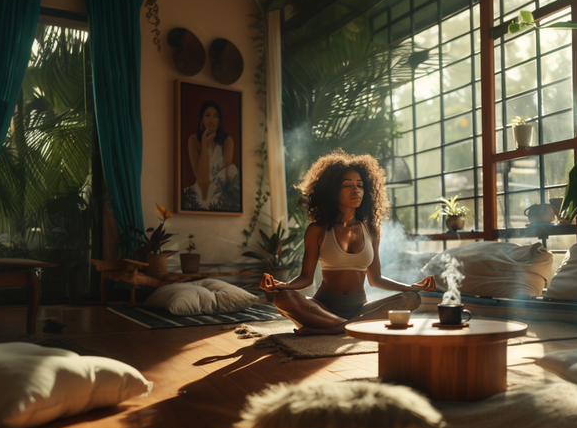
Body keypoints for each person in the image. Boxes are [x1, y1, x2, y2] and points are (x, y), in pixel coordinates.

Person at [259, 151, 437, 335]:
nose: (356, 190)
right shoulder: (317, 230)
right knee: (283, 299)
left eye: (360, 185)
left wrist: (409, 287)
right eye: (347, 185)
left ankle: (333, 329)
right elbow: (306, 278)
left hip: (360, 308)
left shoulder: (372, 230)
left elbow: (375, 279)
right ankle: (350, 326)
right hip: (323, 307)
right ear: (332, 191)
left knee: (412, 298)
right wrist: (283, 286)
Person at [186, 100, 238, 209]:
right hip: (199, 193)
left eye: (215, 116)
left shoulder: (227, 141)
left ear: (219, 120)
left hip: (220, 193)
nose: (212, 120)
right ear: (202, 120)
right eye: (207, 115)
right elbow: (201, 179)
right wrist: (204, 143)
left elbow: (227, 176)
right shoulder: (193, 140)